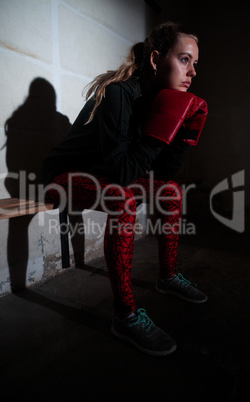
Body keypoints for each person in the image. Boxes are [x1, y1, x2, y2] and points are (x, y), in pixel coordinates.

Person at [42, 21, 208, 357]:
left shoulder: (158, 100)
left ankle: (168, 277)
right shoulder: (120, 93)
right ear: (156, 59)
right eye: (184, 59)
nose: (191, 72)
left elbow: (161, 170)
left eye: (195, 64)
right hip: (63, 177)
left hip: (103, 175)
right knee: (123, 199)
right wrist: (159, 133)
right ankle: (125, 315)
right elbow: (121, 173)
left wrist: (185, 132)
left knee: (170, 190)